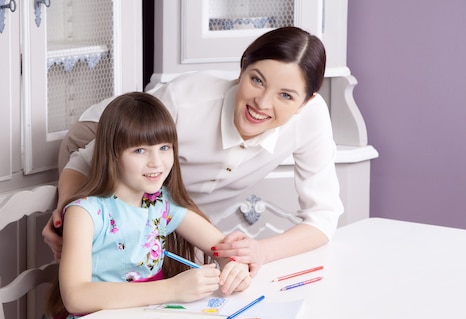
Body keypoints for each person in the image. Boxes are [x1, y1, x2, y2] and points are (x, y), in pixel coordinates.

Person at [45, 26, 343, 283]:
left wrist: (260, 251)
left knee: (179, 279)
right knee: (108, 267)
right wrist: (68, 210)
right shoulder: (186, 101)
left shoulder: (312, 119)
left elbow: (323, 217)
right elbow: (83, 160)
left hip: (172, 200)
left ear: (306, 102)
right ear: (242, 68)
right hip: (105, 142)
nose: (262, 103)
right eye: (257, 80)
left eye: (286, 95)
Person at [53, 92, 250, 319]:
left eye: (164, 148)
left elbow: (222, 248)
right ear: (112, 153)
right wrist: (172, 289)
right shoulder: (84, 213)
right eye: (139, 150)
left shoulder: (160, 202)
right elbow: (75, 296)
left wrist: (235, 268)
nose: (156, 162)